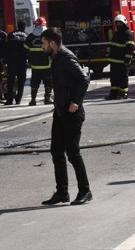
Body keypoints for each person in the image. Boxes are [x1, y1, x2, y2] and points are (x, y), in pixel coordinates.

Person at [39, 28, 93, 206]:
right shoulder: (56, 57)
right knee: (56, 151)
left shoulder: (66, 57)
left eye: (44, 43)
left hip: (72, 112)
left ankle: (85, 191)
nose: (42, 47)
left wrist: (76, 102)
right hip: (61, 111)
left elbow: (83, 79)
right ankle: (62, 192)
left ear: (52, 43)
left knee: (73, 153)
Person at [106, 14, 135, 99]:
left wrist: (127, 59)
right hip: (114, 61)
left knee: (123, 78)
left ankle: (123, 93)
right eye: (117, 23)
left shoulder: (128, 34)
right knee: (114, 78)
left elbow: (130, 47)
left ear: (124, 23)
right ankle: (113, 94)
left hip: (123, 61)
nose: (118, 25)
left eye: (120, 23)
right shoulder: (116, 33)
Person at [26, 17, 53, 105]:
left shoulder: (30, 37)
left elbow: (25, 48)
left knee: (34, 83)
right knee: (48, 82)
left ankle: (33, 100)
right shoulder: (49, 37)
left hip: (35, 65)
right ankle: (47, 99)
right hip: (47, 65)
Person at [4, 20, 30, 105]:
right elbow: (28, 50)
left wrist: (5, 61)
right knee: (21, 81)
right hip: (22, 62)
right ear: (24, 27)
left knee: (10, 81)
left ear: (17, 26)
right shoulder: (27, 36)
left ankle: (9, 100)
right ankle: (18, 99)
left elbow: (6, 48)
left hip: (12, 61)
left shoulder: (11, 35)